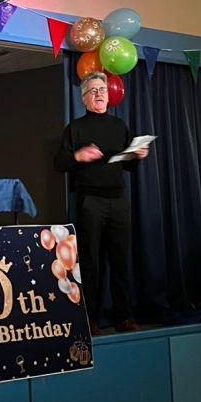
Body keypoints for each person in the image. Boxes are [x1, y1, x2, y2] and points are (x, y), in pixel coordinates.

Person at [54, 71, 149, 335]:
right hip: (90, 201)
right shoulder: (75, 128)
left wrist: (136, 156)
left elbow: (127, 166)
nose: (99, 94)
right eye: (93, 90)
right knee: (90, 262)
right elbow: (59, 163)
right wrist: (78, 155)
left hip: (118, 201)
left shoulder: (119, 126)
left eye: (103, 90)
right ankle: (90, 319)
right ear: (84, 98)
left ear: (109, 95)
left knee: (120, 262)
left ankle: (124, 317)